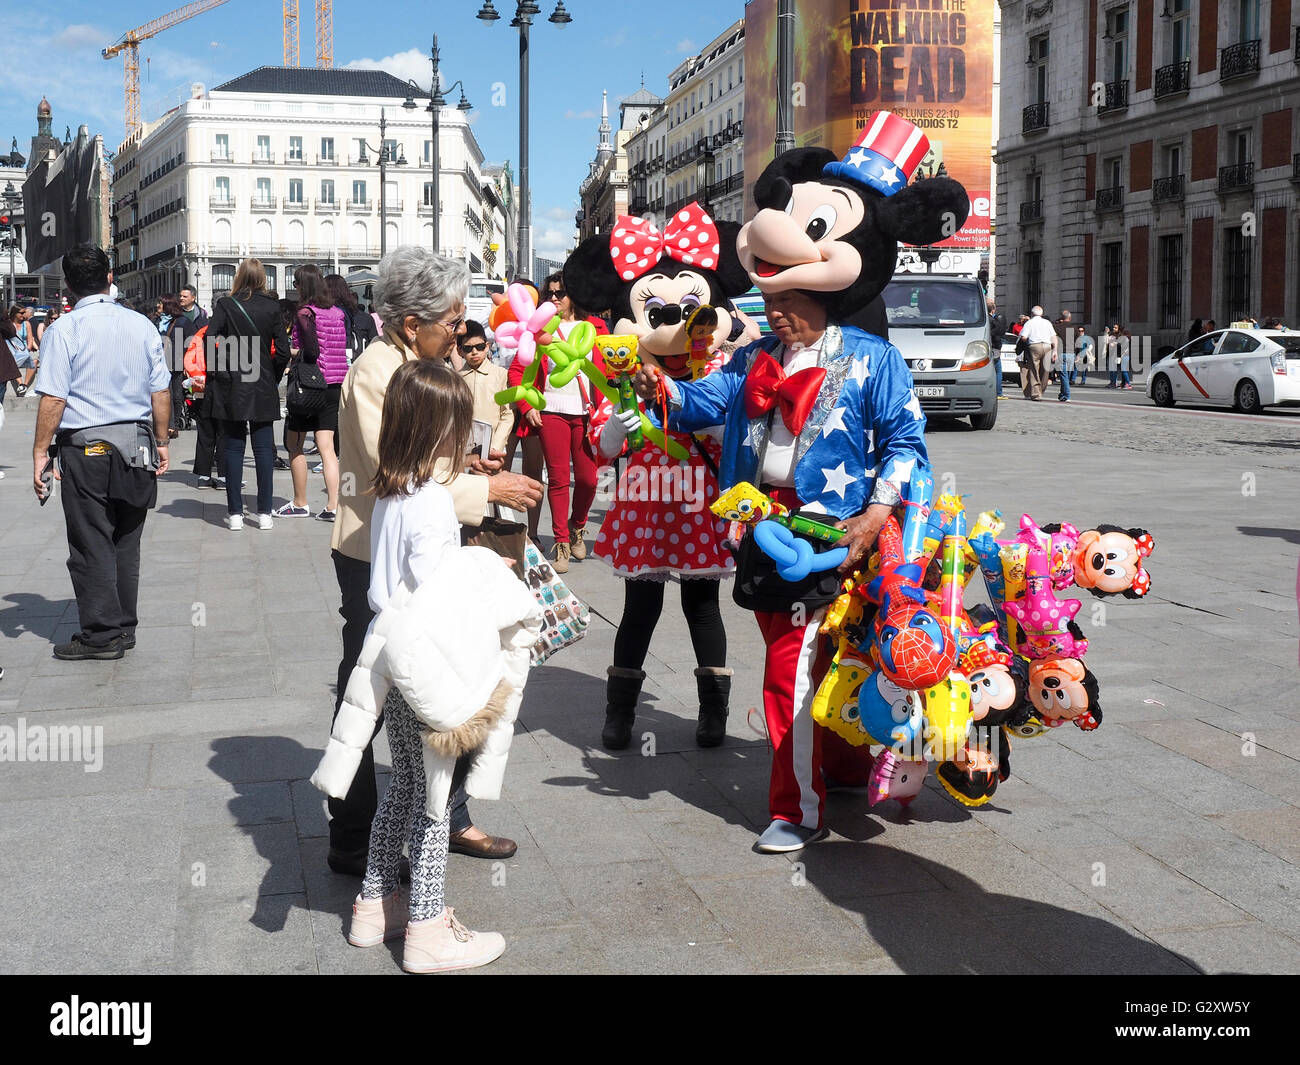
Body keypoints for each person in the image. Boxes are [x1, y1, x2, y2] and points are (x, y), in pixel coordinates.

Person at [327, 245, 542, 877]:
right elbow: (399, 477)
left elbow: (428, 465)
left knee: (452, 683)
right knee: (373, 692)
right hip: (380, 561)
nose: (459, 332)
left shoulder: (418, 360)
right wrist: (486, 491)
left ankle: (446, 817)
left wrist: (468, 468)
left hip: (428, 548)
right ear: (409, 321)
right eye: (449, 321)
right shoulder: (375, 373)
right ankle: (357, 837)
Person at [314, 359, 533, 973]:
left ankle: (373, 903)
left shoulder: (392, 494)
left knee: (404, 788)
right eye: (461, 427)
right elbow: (440, 594)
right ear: (441, 430)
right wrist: (492, 575)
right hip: (429, 666)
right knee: (436, 803)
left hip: (392, 658)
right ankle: (429, 927)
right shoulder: (434, 502)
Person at [29, 243, 171, 660]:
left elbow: (53, 398)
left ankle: (101, 634)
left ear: (69, 286)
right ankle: (124, 626)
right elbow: (160, 389)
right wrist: (161, 442)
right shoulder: (142, 325)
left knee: (92, 540)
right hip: (137, 444)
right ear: (110, 278)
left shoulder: (64, 330)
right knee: (128, 539)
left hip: (85, 448)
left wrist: (40, 451)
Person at [510, 271, 607, 572]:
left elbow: (613, 368)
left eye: (560, 293)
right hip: (551, 411)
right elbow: (517, 371)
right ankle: (562, 543)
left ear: (573, 295)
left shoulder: (596, 328)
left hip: (587, 413)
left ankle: (577, 526)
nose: (554, 298)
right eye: (549, 293)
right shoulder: (539, 330)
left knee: (590, 480)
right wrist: (526, 406)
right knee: (558, 479)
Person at [206, 258, 292, 530]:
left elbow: (210, 338)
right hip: (262, 379)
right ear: (263, 278)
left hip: (233, 381)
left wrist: (219, 370)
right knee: (264, 449)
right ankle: (264, 512)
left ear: (238, 277)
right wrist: (273, 374)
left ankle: (234, 514)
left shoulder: (226, 304)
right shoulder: (272, 306)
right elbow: (282, 349)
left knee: (232, 447)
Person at [277, 264, 347, 521]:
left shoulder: (306, 313)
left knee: (294, 444)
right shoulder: (338, 313)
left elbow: (311, 351)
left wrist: (289, 352)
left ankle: (300, 502)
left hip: (310, 386)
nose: (295, 288)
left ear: (302, 286)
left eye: (296, 284)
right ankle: (333, 505)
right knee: (327, 448)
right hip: (335, 384)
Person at [456, 319, 513, 455]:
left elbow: (507, 414)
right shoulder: (455, 379)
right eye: (468, 348)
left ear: (487, 346)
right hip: (461, 447)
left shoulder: (501, 375)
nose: (474, 352)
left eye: (479, 347)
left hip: (493, 447)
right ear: (459, 351)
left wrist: (496, 446)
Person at [325, 273, 379, 367]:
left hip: (332, 367)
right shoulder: (365, 318)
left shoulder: (325, 316)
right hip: (360, 365)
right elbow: (374, 345)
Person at [1018, 305, 1056, 401]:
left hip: (1034, 346)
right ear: (1042, 314)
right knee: (1045, 371)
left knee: (1034, 370)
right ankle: (1041, 390)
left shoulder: (1029, 323)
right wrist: (1055, 350)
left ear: (1032, 313)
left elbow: (1023, 337)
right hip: (1047, 346)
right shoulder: (1047, 323)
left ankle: (1036, 394)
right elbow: (1054, 337)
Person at [987, 297, 1007, 398]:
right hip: (994, 347)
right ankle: (998, 392)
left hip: (987, 347)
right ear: (993, 310)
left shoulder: (984, 320)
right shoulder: (994, 320)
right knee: (998, 370)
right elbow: (1000, 331)